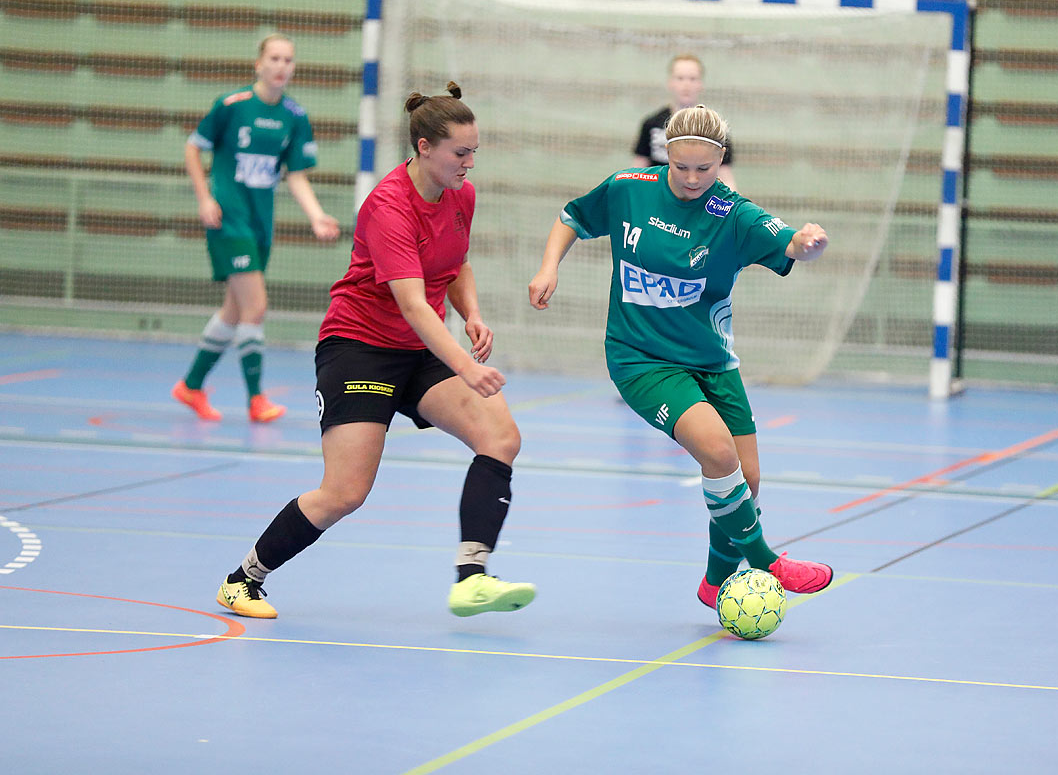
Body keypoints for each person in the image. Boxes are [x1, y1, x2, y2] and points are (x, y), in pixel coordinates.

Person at [215, 83, 536, 620]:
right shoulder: (388, 206)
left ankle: (472, 577)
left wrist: (473, 313)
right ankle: (244, 579)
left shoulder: (461, 194)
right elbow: (412, 304)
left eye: (475, 152)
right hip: (360, 349)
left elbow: (455, 264)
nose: (469, 163)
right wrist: (465, 363)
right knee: (344, 492)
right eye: (461, 152)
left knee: (501, 436)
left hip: (419, 348)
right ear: (424, 147)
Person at [530, 105, 832, 611]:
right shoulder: (628, 187)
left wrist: (809, 243)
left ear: (720, 162)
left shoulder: (733, 214)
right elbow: (571, 217)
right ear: (665, 156)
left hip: (712, 359)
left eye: (704, 169)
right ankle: (765, 560)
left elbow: (793, 246)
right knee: (717, 452)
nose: (692, 179)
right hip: (640, 358)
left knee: (747, 478)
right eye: (681, 166)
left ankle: (715, 582)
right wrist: (548, 268)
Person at [172, 33, 340, 423]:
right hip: (230, 219)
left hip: (262, 222)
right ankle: (256, 399)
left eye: (289, 60)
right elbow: (193, 147)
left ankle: (191, 386)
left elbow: (295, 175)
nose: (282, 66)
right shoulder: (232, 107)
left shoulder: (294, 117)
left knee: (234, 310)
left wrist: (316, 215)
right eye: (275, 58)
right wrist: (204, 198)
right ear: (259, 64)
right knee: (256, 306)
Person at [632, 54, 735, 188]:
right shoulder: (652, 124)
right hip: (658, 193)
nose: (686, 85)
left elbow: (725, 175)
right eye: (680, 78)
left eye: (692, 79)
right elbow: (638, 169)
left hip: (696, 194)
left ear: (700, 84)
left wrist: (733, 204)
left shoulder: (714, 128)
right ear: (670, 83)